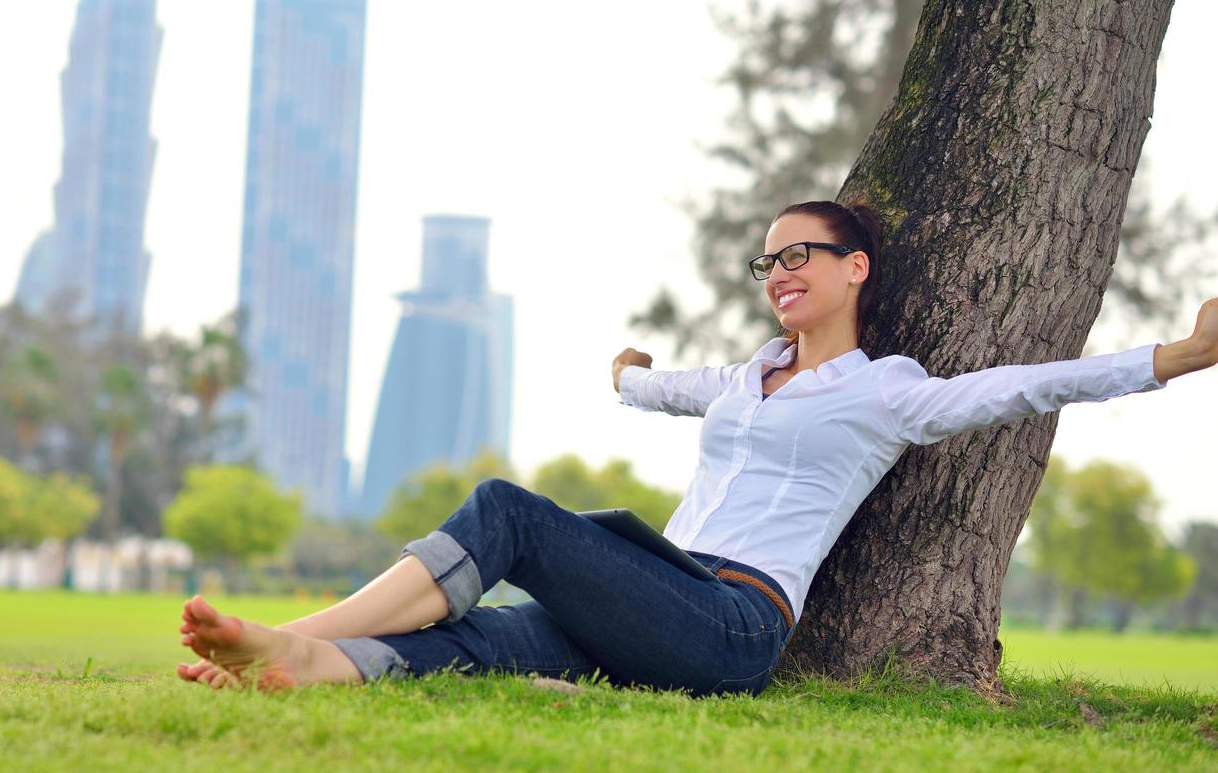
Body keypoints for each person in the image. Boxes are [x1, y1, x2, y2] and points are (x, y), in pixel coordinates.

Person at [175, 199, 1218, 695]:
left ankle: (287, 630)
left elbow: (1021, 386)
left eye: (798, 254)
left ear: (854, 266)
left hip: (728, 619)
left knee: (505, 510)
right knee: (492, 638)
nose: (777, 271)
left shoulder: (886, 391)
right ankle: (310, 665)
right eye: (766, 261)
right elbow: (654, 390)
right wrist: (627, 372)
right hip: (653, 592)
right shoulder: (741, 378)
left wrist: (1172, 354)